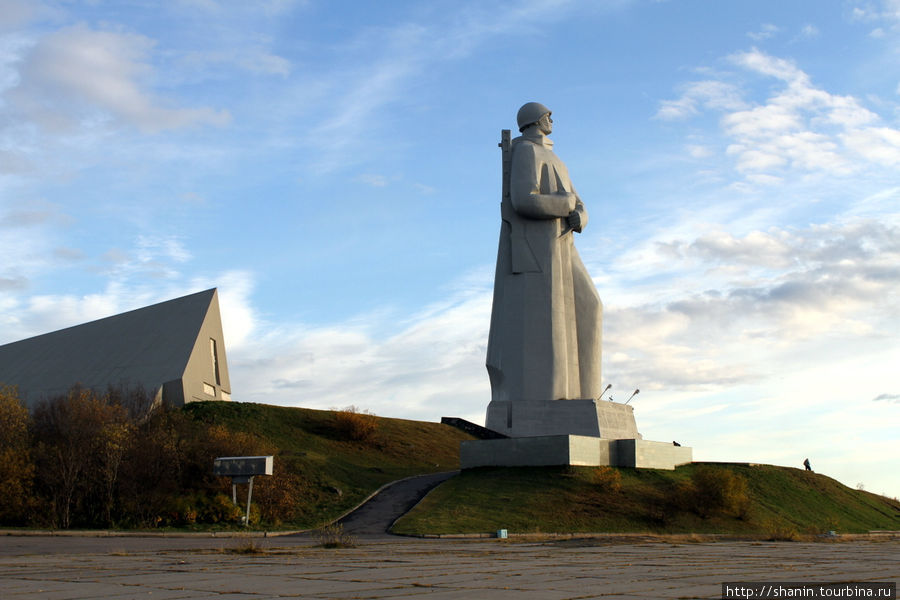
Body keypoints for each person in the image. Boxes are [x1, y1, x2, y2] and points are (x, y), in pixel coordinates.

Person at [486, 102, 603, 412]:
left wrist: (581, 216)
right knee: (549, 320)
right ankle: (555, 397)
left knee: (590, 306)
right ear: (535, 120)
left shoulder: (556, 159)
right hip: (540, 246)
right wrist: (565, 205)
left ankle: (586, 395)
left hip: (564, 244)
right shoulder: (526, 151)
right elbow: (525, 200)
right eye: (548, 114)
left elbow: (579, 203)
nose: (552, 119)